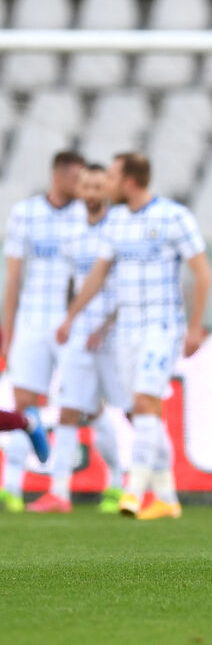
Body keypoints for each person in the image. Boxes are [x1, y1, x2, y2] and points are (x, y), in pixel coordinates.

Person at [57, 152, 211, 521]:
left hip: (162, 326)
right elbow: (98, 274)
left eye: (111, 177)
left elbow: (202, 272)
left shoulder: (173, 216)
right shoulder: (117, 222)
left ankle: (134, 490)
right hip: (127, 331)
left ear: (128, 181)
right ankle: (166, 497)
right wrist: (71, 315)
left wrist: (195, 326)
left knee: (144, 401)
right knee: (146, 411)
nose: (107, 184)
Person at [28, 163, 129, 514]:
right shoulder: (71, 234)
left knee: (132, 410)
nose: (91, 193)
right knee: (71, 410)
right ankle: (59, 491)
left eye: (98, 186)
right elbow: (72, 283)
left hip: (116, 334)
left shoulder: (120, 228)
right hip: (80, 334)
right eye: (86, 186)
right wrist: (69, 320)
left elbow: (127, 285)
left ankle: (132, 484)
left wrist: (105, 326)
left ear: (107, 190)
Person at [0, 150, 85, 511]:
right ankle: (13, 489)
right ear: (58, 175)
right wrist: (8, 326)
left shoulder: (87, 215)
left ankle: (99, 485)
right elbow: (14, 274)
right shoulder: (26, 213)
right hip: (32, 320)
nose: (81, 186)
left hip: (72, 322)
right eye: (76, 178)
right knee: (23, 403)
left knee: (80, 404)